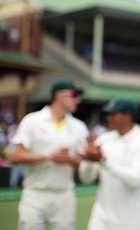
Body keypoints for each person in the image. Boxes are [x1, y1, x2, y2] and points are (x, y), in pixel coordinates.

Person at [10, 78, 88, 230]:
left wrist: (69, 159)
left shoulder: (79, 127)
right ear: (59, 96)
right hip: (34, 194)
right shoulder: (32, 120)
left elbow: (83, 165)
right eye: (73, 95)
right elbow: (16, 156)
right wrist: (48, 156)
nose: (77, 100)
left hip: (64, 195)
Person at [79, 97, 140, 230]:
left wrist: (103, 161)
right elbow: (86, 179)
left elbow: (135, 179)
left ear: (128, 116)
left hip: (131, 220)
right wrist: (89, 160)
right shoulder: (104, 139)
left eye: (113, 114)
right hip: (101, 218)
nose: (109, 118)